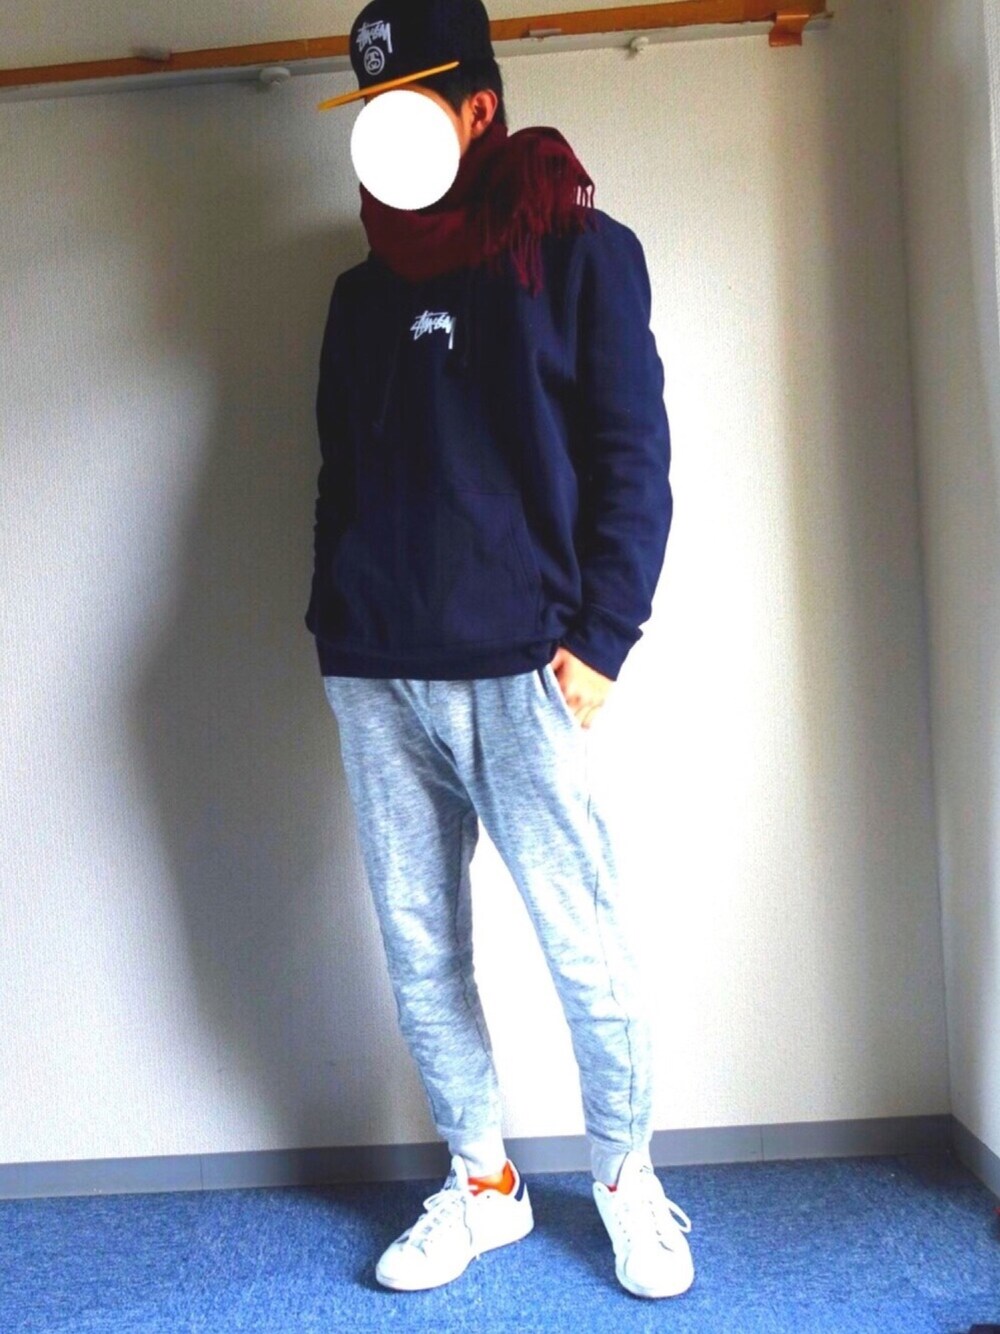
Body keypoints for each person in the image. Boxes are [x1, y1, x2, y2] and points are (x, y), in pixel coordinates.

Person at [305, 0, 694, 1302]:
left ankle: (627, 1178)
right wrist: (337, 621)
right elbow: (338, 472)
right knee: (421, 950)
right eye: (372, 108)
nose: (387, 132)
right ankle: (484, 1185)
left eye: (411, 104)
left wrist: (604, 640)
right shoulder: (361, 293)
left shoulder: (578, 252)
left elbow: (634, 457)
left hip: (529, 666)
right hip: (378, 669)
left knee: (587, 946)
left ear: (477, 107)